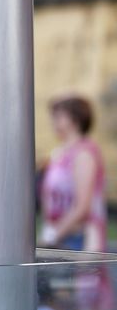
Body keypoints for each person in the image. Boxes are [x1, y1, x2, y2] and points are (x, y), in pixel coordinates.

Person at [40, 95, 108, 252]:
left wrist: (52, 236)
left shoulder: (84, 153)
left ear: (76, 119)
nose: (53, 122)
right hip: (59, 235)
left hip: (79, 238)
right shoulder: (59, 153)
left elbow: (82, 206)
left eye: (58, 117)